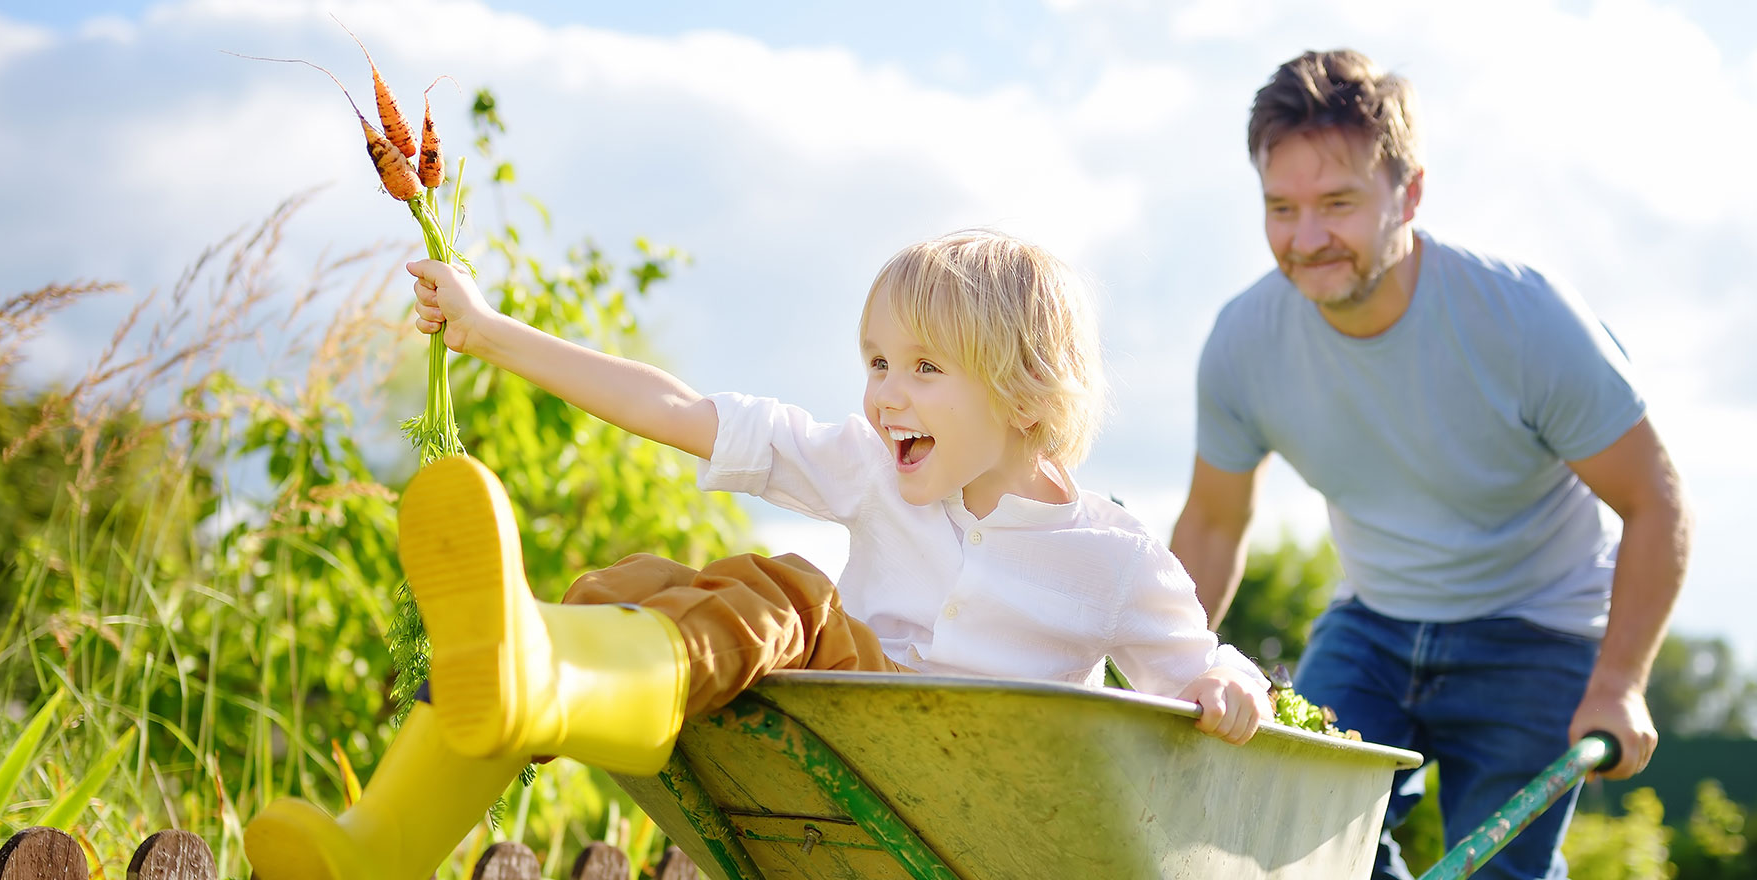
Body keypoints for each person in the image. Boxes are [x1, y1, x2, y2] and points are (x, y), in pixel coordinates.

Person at [245, 229, 1272, 880]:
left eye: (923, 366)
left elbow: (1197, 668)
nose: (883, 394)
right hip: (842, 760)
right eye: (875, 362)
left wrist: (1232, 687)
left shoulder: (1115, 555)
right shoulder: (873, 464)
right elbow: (682, 410)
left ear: (1026, 397)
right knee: (628, 596)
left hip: (961, 794)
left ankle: (545, 680)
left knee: (788, 591)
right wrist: (485, 330)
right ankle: (380, 844)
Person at [1169, 50, 1693, 880]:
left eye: (1338, 204)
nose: (1306, 239)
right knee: (1299, 844)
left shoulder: (1523, 320)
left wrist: (1621, 682)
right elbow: (1211, 523)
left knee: (1501, 872)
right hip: (1373, 623)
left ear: (1408, 193)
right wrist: (1163, 666)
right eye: (1281, 208)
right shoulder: (1245, 343)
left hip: (1538, 627)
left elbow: (1657, 502)